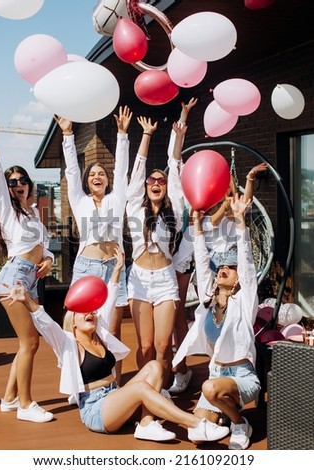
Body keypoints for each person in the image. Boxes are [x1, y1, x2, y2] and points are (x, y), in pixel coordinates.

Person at [0, 249, 221, 443]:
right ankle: (195, 423)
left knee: (154, 366)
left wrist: (117, 270)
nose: (91, 314)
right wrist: (28, 301)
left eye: (92, 310)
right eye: (84, 312)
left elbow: (110, 299)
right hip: (96, 411)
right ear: (72, 322)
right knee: (142, 389)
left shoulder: (99, 334)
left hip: (114, 397)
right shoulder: (67, 343)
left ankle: (145, 423)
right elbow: (45, 324)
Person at [0, 104, 54, 423]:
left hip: (30, 279)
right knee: (30, 342)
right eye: (13, 181)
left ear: (29, 184)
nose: (18, 183)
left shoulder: (35, 213)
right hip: (14, 278)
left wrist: (48, 259)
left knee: (28, 344)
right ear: (7, 189)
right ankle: (25, 404)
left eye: (22, 179)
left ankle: (9, 398)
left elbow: (45, 248)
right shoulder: (7, 212)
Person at [172, 193, 261, 450]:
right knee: (196, 435)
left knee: (210, 388)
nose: (223, 268)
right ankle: (222, 412)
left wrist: (241, 221)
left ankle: (239, 422)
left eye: (230, 268)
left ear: (237, 278)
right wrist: (198, 228)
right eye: (221, 266)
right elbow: (202, 261)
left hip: (241, 378)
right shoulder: (207, 302)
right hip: (217, 375)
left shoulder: (245, 301)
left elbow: (246, 260)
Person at [55, 106, 132, 383]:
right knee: (76, 328)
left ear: (108, 179)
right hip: (86, 267)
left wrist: (123, 135)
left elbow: (122, 168)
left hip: (113, 267)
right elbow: (72, 172)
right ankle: (79, 383)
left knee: (112, 328)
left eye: (101, 173)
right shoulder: (80, 201)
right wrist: (67, 135)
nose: (96, 176)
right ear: (87, 183)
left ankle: (115, 382)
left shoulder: (116, 199)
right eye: (92, 175)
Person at [125, 116, 185, 390]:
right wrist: (146, 135)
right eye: (152, 179)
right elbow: (137, 172)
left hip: (164, 280)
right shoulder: (135, 209)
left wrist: (180, 135)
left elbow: (175, 171)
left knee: (162, 347)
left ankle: (160, 392)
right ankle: (144, 391)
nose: (156, 182)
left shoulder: (175, 215)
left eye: (160, 180)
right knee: (146, 346)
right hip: (138, 280)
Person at [168, 98, 198, 394]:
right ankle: (171, 366)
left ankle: (181, 368)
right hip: (163, 258)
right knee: (167, 313)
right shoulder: (175, 191)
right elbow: (174, 159)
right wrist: (183, 118)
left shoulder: (199, 200)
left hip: (183, 260)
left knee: (176, 312)